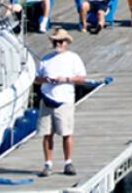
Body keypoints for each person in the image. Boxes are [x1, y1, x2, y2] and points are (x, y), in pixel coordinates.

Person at [35, 29, 86, 177]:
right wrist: (46, 80)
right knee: (47, 134)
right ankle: (48, 164)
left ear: (66, 43)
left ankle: (68, 163)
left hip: (64, 101)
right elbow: (36, 79)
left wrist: (66, 79)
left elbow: (82, 78)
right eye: (56, 41)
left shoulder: (73, 58)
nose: (58, 44)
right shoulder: (45, 59)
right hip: (47, 100)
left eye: (61, 41)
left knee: (66, 133)